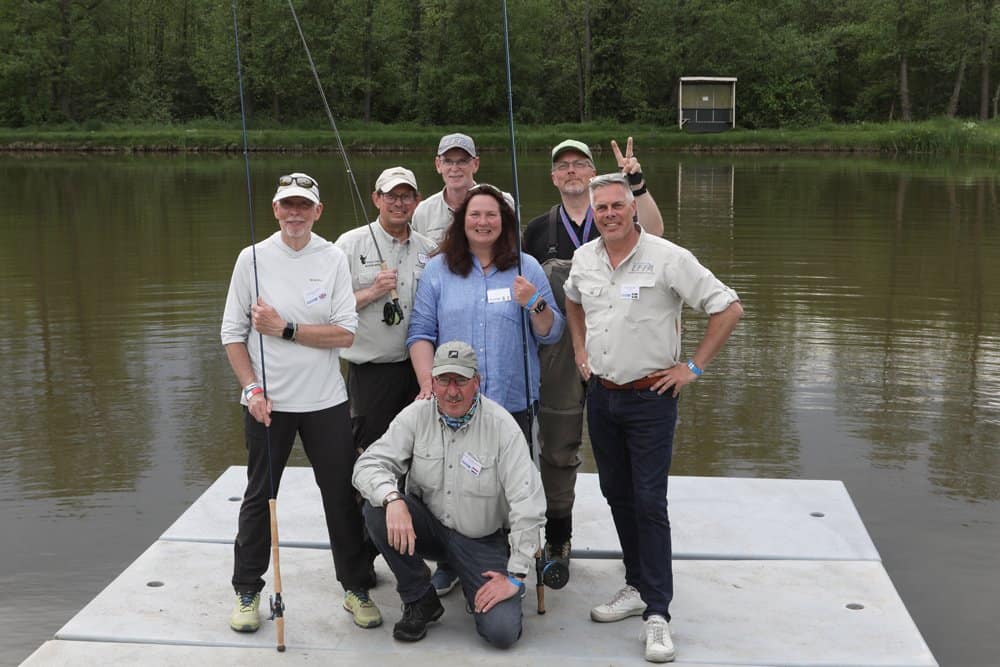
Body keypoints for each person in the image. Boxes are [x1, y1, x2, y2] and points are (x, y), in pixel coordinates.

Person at [563, 173, 743, 663]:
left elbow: (727, 307)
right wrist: (579, 348)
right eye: (601, 209)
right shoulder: (584, 258)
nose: (609, 214)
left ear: (633, 208)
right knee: (615, 493)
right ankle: (637, 584)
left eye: (617, 206)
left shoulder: (668, 257)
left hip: (651, 399)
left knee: (649, 500)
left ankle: (658, 614)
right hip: (602, 396)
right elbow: (573, 299)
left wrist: (693, 366)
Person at [220, 172, 382, 634]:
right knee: (259, 497)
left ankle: (355, 586)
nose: (295, 213)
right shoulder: (251, 259)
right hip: (266, 403)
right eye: (287, 205)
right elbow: (232, 334)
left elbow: (346, 332)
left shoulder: (331, 257)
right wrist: (252, 389)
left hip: (326, 402)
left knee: (340, 497)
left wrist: (285, 328)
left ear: (317, 211)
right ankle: (247, 590)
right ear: (275, 210)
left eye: (303, 206)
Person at [407, 183, 564, 597]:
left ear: (504, 221)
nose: (483, 222)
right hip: (453, 405)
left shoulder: (527, 267)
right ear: (462, 221)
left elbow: (551, 334)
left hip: (512, 402)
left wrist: (536, 303)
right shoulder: (439, 270)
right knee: (449, 486)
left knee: (513, 489)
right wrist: (427, 384)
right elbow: (421, 332)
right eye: (475, 214)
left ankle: (514, 560)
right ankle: (449, 560)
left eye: (491, 215)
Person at [521, 137, 665, 576]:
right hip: (561, 357)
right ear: (553, 177)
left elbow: (656, 234)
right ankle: (558, 537)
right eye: (562, 165)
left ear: (593, 173)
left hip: (617, 350)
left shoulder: (619, 216)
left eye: (579, 164)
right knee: (559, 449)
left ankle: (637, 549)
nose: (570, 171)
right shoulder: (536, 230)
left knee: (621, 456)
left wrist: (636, 183)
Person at [352, 341, 546, 647]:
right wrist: (392, 498)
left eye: (461, 381)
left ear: (477, 383)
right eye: (444, 380)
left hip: (480, 539)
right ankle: (420, 598)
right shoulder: (416, 415)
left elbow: (528, 503)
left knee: (502, 632)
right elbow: (368, 465)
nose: (452, 391)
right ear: (432, 381)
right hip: (429, 529)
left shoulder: (503, 427)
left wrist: (516, 577)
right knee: (377, 508)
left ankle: (469, 576)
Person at [335, 166, 437, 451]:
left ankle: (408, 497)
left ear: (417, 201)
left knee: (417, 449)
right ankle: (366, 498)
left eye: (406, 196)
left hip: (418, 371)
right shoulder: (349, 245)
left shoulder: (428, 249)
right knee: (368, 451)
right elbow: (329, 310)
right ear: (376, 198)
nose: (399, 203)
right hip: (370, 374)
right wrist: (372, 292)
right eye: (391, 196)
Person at [411, 133, 513, 244]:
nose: (454, 168)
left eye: (462, 161)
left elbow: (513, 247)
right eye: (448, 161)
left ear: (475, 164)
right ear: (438, 165)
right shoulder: (423, 211)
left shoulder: (504, 201)